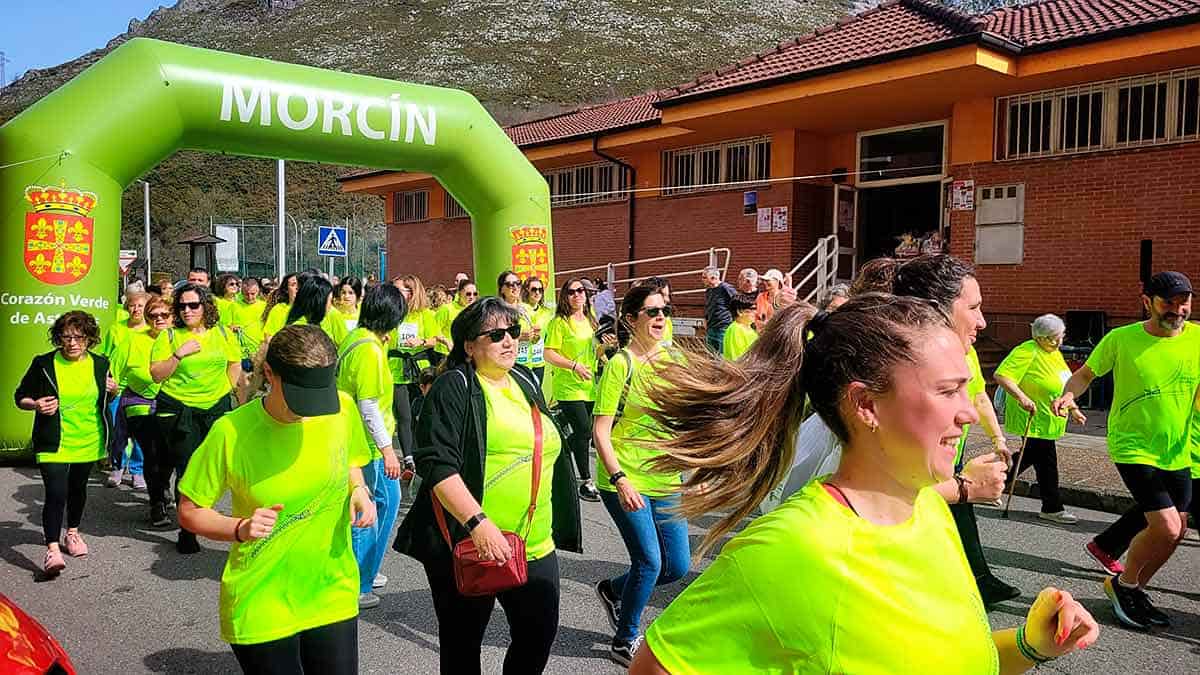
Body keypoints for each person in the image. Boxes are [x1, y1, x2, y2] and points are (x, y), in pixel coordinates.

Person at [629, 297, 1100, 674]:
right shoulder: (793, 548)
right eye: (946, 390)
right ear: (866, 404)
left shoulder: (928, 509)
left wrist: (1030, 644)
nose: (969, 411)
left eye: (964, 388)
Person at [393, 297, 583, 675]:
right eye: (496, 335)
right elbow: (437, 465)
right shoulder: (455, 386)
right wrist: (479, 524)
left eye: (513, 332)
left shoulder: (526, 380)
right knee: (463, 647)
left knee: (537, 636)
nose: (509, 341)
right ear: (469, 345)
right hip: (468, 543)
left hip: (533, 541)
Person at [177, 324, 377, 674]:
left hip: (331, 588)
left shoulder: (340, 410)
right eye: (302, 394)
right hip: (262, 597)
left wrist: (358, 489)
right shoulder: (231, 432)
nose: (312, 409)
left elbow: (350, 459)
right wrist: (239, 527)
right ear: (269, 373)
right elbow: (190, 510)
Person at [1052, 271, 1200, 629]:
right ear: (1146, 301)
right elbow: (1086, 374)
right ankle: (1123, 584)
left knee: (1177, 530)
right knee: (1165, 527)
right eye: (1169, 302)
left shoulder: (1197, 338)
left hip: (1177, 448)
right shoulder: (1121, 339)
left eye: (1185, 302)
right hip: (1132, 445)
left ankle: (1132, 587)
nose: (1178, 310)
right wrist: (1069, 394)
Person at [592, 285, 688, 666]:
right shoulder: (621, 364)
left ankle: (615, 592)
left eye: (665, 309)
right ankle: (625, 638)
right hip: (623, 476)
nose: (661, 317)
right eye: (652, 312)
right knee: (648, 560)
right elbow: (600, 432)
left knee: (676, 566)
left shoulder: (675, 358)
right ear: (631, 320)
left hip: (665, 476)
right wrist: (620, 479)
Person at [15, 311, 117, 577]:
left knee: (77, 489)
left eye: (79, 338)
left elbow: (106, 396)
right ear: (58, 338)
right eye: (66, 337)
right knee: (56, 493)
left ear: (89, 339)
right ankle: (52, 549)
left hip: (88, 438)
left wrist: (114, 390)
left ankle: (72, 533)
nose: (72, 343)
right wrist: (35, 404)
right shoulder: (43, 363)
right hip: (53, 441)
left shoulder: (101, 364)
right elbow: (20, 396)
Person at [150, 282, 243, 554]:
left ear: (206, 306)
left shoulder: (223, 333)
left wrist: (226, 389)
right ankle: (187, 530)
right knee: (187, 469)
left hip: (214, 408)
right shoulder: (168, 337)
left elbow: (234, 364)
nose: (187, 310)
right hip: (179, 410)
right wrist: (179, 355)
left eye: (193, 305)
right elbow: (157, 374)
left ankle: (198, 514)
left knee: (213, 468)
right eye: (181, 306)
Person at [337, 285, 407, 610]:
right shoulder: (369, 351)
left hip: (355, 439)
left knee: (383, 503)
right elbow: (368, 405)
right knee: (373, 509)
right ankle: (360, 582)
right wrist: (387, 449)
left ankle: (368, 569)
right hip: (367, 445)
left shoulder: (359, 338)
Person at [993, 313, 1086, 524]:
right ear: (1041, 337)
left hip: (1049, 418)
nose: (1060, 342)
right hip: (1033, 416)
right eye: (1055, 338)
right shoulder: (1027, 351)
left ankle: (991, 484)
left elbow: (1062, 384)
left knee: (1028, 457)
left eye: (1061, 336)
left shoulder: (1052, 352)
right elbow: (1002, 375)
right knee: (1046, 462)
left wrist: (1073, 408)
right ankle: (1052, 507)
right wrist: (1022, 398)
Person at [544, 277, 603, 502]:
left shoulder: (591, 319)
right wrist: (574, 366)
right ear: (565, 297)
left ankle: (555, 459)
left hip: (589, 385)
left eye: (581, 291)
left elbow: (595, 352)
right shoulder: (559, 322)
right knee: (584, 431)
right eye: (572, 292)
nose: (577, 295)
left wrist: (605, 346)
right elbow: (549, 353)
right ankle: (585, 481)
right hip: (568, 386)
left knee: (581, 435)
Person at [121, 297, 174, 526]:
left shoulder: (177, 338)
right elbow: (136, 372)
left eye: (164, 315)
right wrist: (163, 383)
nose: (159, 319)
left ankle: (162, 486)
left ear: (173, 316)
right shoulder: (137, 339)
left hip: (172, 403)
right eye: (153, 315)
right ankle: (157, 503)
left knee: (169, 454)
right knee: (151, 454)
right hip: (140, 401)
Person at [391, 275, 439, 473]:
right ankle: (409, 458)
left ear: (411, 293)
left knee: (423, 413)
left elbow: (434, 339)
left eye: (398, 290)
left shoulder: (425, 314)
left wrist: (421, 341)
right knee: (404, 416)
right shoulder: (393, 313)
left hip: (419, 368)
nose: (393, 294)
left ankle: (425, 451)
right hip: (395, 369)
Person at [101, 291, 149, 489]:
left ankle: (138, 471)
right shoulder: (115, 329)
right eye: (132, 305)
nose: (136, 309)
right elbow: (105, 357)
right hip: (118, 389)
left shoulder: (152, 331)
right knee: (117, 431)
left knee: (140, 433)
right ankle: (117, 466)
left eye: (140, 305)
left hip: (141, 391)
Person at [286, 273, 350, 346]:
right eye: (330, 301)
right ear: (319, 302)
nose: (331, 306)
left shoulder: (326, 317)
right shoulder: (298, 329)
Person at [520, 276, 554, 383]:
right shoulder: (518, 310)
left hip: (538, 361)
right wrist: (520, 336)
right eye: (534, 289)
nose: (537, 293)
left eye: (540, 290)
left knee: (536, 396)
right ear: (526, 291)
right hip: (520, 361)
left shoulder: (546, 312)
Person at [434, 278, 477, 356]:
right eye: (468, 294)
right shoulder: (446, 309)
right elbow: (434, 330)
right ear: (459, 293)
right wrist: (446, 342)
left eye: (475, 294)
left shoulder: (474, 311)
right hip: (445, 354)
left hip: (465, 354)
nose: (472, 297)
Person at [701, 266, 736, 354]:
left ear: (713, 277)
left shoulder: (725, 288)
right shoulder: (709, 290)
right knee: (711, 354)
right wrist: (705, 318)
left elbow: (737, 302)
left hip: (723, 327)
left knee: (722, 355)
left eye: (705, 277)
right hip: (711, 327)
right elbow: (708, 305)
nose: (702, 280)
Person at [721, 293, 758, 361]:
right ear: (740, 312)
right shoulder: (736, 330)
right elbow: (738, 359)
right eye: (753, 309)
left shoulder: (748, 328)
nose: (756, 312)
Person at [262, 273, 299, 338]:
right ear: (286, 290)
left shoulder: (312, 309)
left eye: (301, 284)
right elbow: (268, 337)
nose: (297, 288)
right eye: (293, 285)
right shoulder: (279, 309)